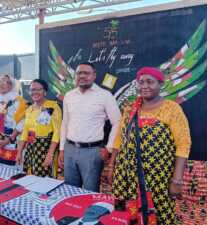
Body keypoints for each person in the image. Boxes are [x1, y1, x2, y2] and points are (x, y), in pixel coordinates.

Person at [108, 67, 191, 224]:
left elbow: (183, 143)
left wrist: (177, 179)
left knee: (158, 213)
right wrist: (112, 165)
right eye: (141, 82)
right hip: (126, 174)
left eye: (150, 82)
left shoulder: (172, 109)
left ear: (161, 84)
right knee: (126, 213)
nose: (144, 86)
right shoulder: (129, 109)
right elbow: (120, 138)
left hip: (156, 177)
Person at [58, 62, 120, 192]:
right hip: (70, 149)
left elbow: (118, 122)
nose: (82, 76)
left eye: (86, 73)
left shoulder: (105, 96)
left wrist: (109, 148)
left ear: (94, 76)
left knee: (90, 192)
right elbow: (65, 122)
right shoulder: (69, 95)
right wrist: (62, 149)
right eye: (79, 73)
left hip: (92, 152)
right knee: (70, 190)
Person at [16, 79, 62, 177]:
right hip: (31, 149)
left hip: (45, 149)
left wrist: (50, 155)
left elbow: (57, 132)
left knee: (46, 180)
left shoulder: (52, 106)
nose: (35, 92)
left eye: (38, 89)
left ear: (45, 92)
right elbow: (25, 132)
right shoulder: (29, 109)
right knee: (31, 178)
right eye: (32, 90)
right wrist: (19, 152)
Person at [0, 74, 27, 166]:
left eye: (5, 81)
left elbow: (21, 124)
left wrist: (8, 140)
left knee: (10, 170)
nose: (1, 84)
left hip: (11, 141)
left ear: (12, 85)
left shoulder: (19, 101)